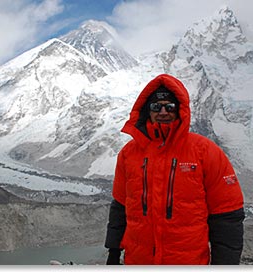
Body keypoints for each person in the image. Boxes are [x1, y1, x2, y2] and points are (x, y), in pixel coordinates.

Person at [104, 74, 245, 265]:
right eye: (156, 106)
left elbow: (227, 216)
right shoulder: (129, 154)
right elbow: (120, 208)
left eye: (169, 106)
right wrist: (113, 252)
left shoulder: (205, 151)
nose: (163, 111)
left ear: (180, 110)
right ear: (147, 110)